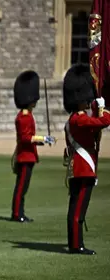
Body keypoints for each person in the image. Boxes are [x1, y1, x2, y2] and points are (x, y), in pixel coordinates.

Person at [62, 64, 110, 255]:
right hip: (84, 167)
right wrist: (103, 108)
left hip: (82, 166)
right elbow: (104, 121)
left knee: (77, 208)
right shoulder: (78, 119)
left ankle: (76, 242)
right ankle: (76, 245)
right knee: (78, 210)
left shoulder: (76, 118)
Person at [11, 70, 55, 222]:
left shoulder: (27, 115)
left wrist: (42, 140)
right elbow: (25, 137)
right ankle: (17, 213)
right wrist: (42, 138)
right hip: (24, 155)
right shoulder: (23, 117)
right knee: (21, 188)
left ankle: (20, 212)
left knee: (23, 187)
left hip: (28, 154)